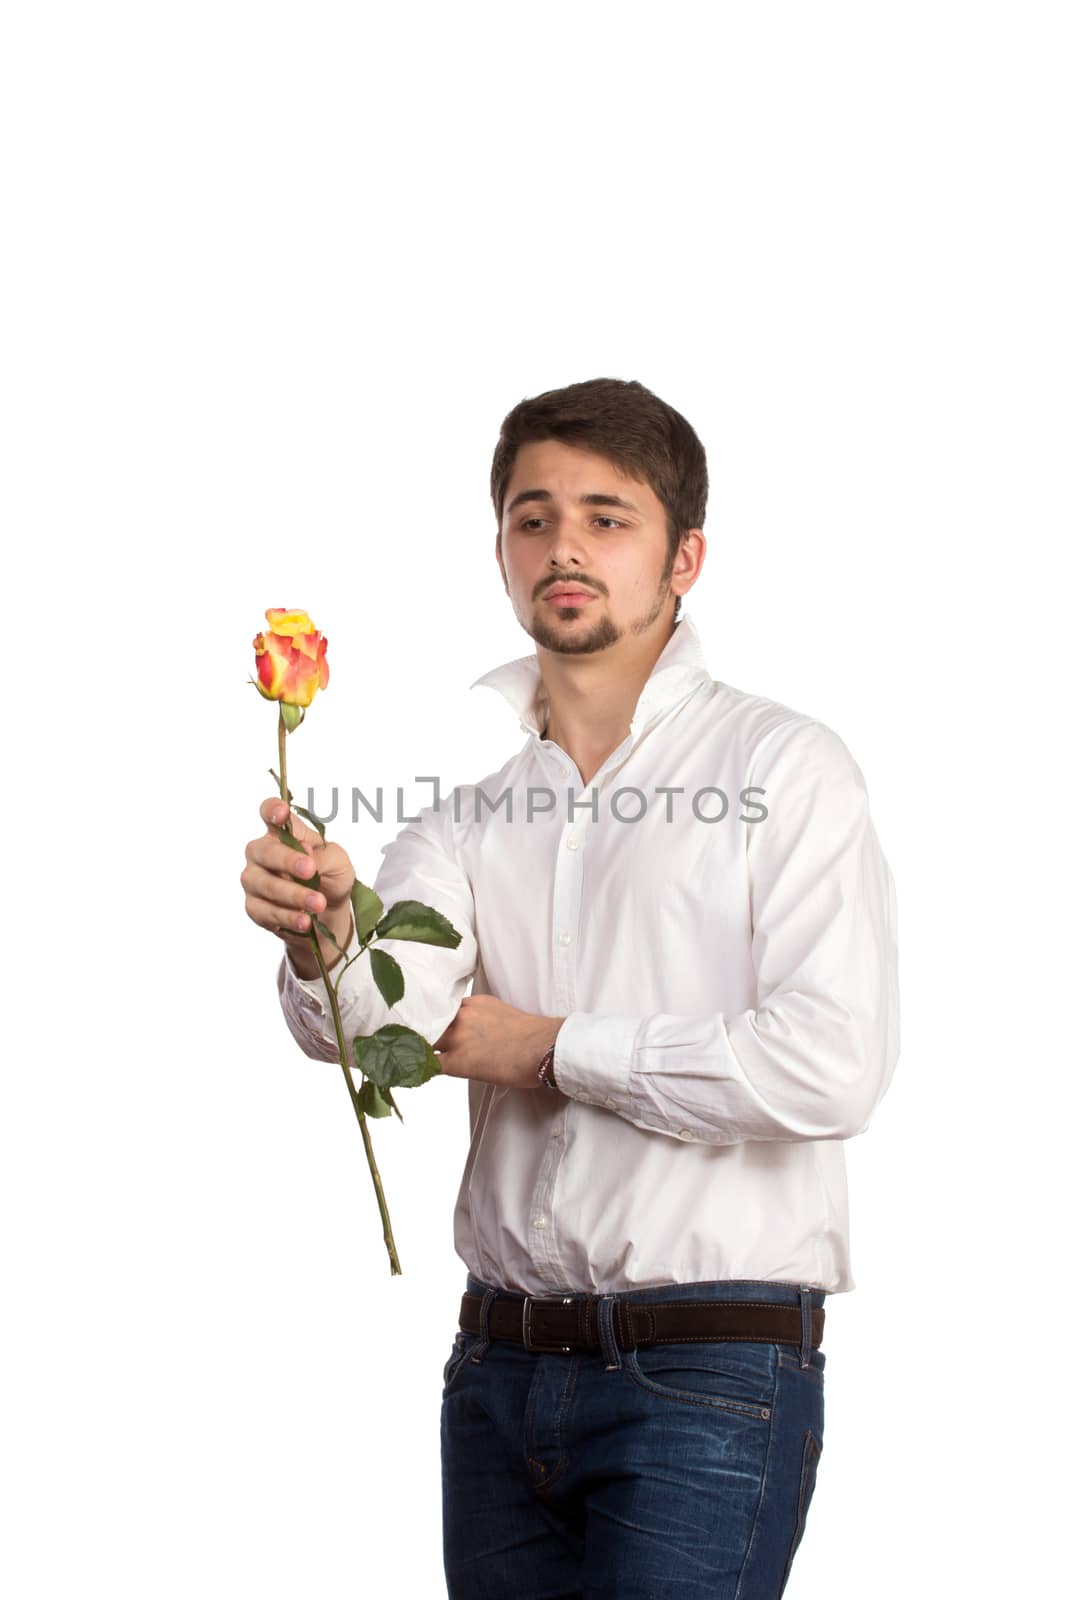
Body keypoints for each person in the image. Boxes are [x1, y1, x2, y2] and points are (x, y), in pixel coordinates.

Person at [241, 377, 900, 1597]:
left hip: (707, 1371)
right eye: (532, 517)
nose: (564, 547)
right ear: (499, 551)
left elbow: (830, 1060)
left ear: (681, 556)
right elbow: (387, 1028)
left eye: (608, 517)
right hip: (495, 1371)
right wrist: (321, 939)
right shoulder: (470, 819)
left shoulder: (784, 770)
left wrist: (544, 1047)